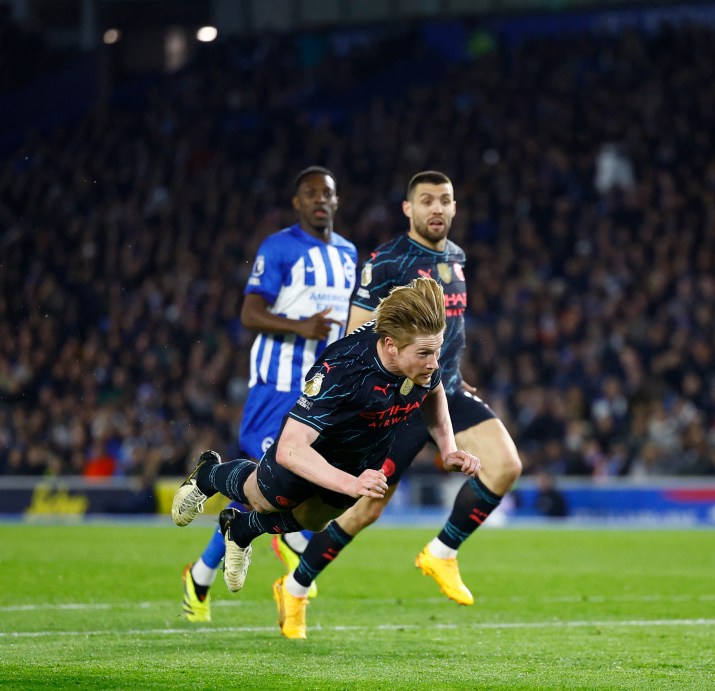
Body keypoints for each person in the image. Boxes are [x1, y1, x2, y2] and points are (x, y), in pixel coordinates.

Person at [271, 170, 523, 633]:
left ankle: (442, 553)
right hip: (393, 399)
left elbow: (452, 334)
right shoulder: (387, 261)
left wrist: (457, 378)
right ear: (408, 209)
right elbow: (354, 337)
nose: (436, 208)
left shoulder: (456, 257)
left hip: (442, 389)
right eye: (426, 200)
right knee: (365, 508)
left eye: (444, 200)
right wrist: (360, 405)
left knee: (506, 465)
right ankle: (296, 587)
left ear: (454, 208)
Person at [171, 277, 481, 638]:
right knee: (264, 498)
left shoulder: (421, 356)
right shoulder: (343, 368)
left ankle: (240, 529)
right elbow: (290, 448)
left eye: (437, 351)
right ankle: (209, 474)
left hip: (360, 456)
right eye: (425, 354)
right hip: (311, 451)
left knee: (314, 521)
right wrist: (351, 482)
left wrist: (448, 449)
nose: (433, 362)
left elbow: (435, 390)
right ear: (390, 346)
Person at [180, 166, 357, 623]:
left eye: (327, 193)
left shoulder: (347, 254)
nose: (320, 199)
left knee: (256, 492)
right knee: (277, 483)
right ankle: (294, 545)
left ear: (337, 201)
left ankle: (199, 577)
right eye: (310, 193)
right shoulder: (279, 247)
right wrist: (300, 327)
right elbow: (250, 312)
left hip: (323, 389)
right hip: (277, 382)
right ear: (297, 202)